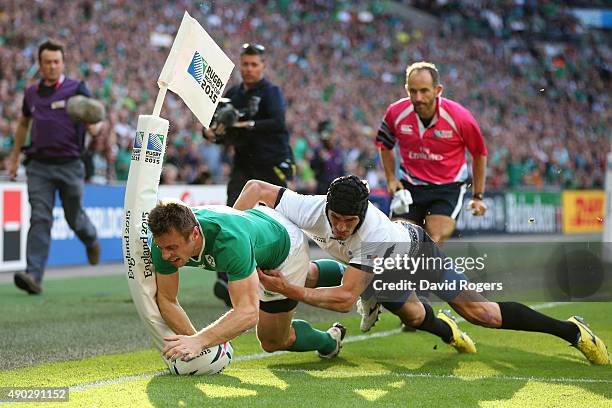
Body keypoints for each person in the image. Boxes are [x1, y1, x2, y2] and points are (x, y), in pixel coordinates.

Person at [233, 176, 610, 365]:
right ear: (326, 207)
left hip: (414, 254)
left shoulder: (374, 233)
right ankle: (442, 327)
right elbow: (254, 188)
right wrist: (234, 231)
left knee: (482, 314)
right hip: (375, 272)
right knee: (414, 314)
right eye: (337, 219)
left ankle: (570, 330)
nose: (342, 226)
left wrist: (287, 287)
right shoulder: (310, 207)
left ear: (362, 213)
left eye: (351, 220)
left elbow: (343, 299)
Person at [149, 200, 347, 362]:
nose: (165, 255)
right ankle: (354, 276)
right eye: (161, 248)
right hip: (256, 227)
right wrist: (197, 345)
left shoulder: (229, 243)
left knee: (274, 340)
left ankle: (330, 340)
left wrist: (200, 341)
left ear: (194, 234)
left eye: (172, 248)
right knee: (308, 276)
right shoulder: (164, 242)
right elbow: (167, 300)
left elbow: (248, 313)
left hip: (285, 247)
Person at [203, 43, 295, 307]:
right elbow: (221, 129)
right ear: (240, 65)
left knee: (278, 220)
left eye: (255, 64)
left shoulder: (271, 92)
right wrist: (213, 133)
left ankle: (281, 277)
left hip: (271, 164)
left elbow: (277, 123)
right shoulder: (232, 94)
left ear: (263, 66)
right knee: (232, 215)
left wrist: (243, 124)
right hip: (243, 165)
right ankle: (227, 278)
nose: (250, 69)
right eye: (245, 64)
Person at [7, 40, 101, 295]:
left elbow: (96, 120)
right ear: (40, 64)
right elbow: (24, 124)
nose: (51, 66)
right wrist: (14, 157)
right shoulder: (31, 93)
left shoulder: (76, 88)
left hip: (71, 164)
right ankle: (33, 275)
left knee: (74, 218)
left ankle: (91, 239)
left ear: (62, 63)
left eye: (56, 62)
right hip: (39, 166)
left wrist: (95, 126)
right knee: (40, 217)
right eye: (47, 62)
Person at [376, 61, 488, 244]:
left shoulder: (460, 117)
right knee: (399, 241)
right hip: (410, 187)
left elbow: (479, 154)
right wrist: (390, 178)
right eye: (413, 91)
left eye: (424, 91)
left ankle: (429, 271)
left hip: (447, 188)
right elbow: (385, 145)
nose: (418, 97)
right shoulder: (395, 113)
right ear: (406, 89)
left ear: (438, 90)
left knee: (432, 239)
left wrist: (478, 196)